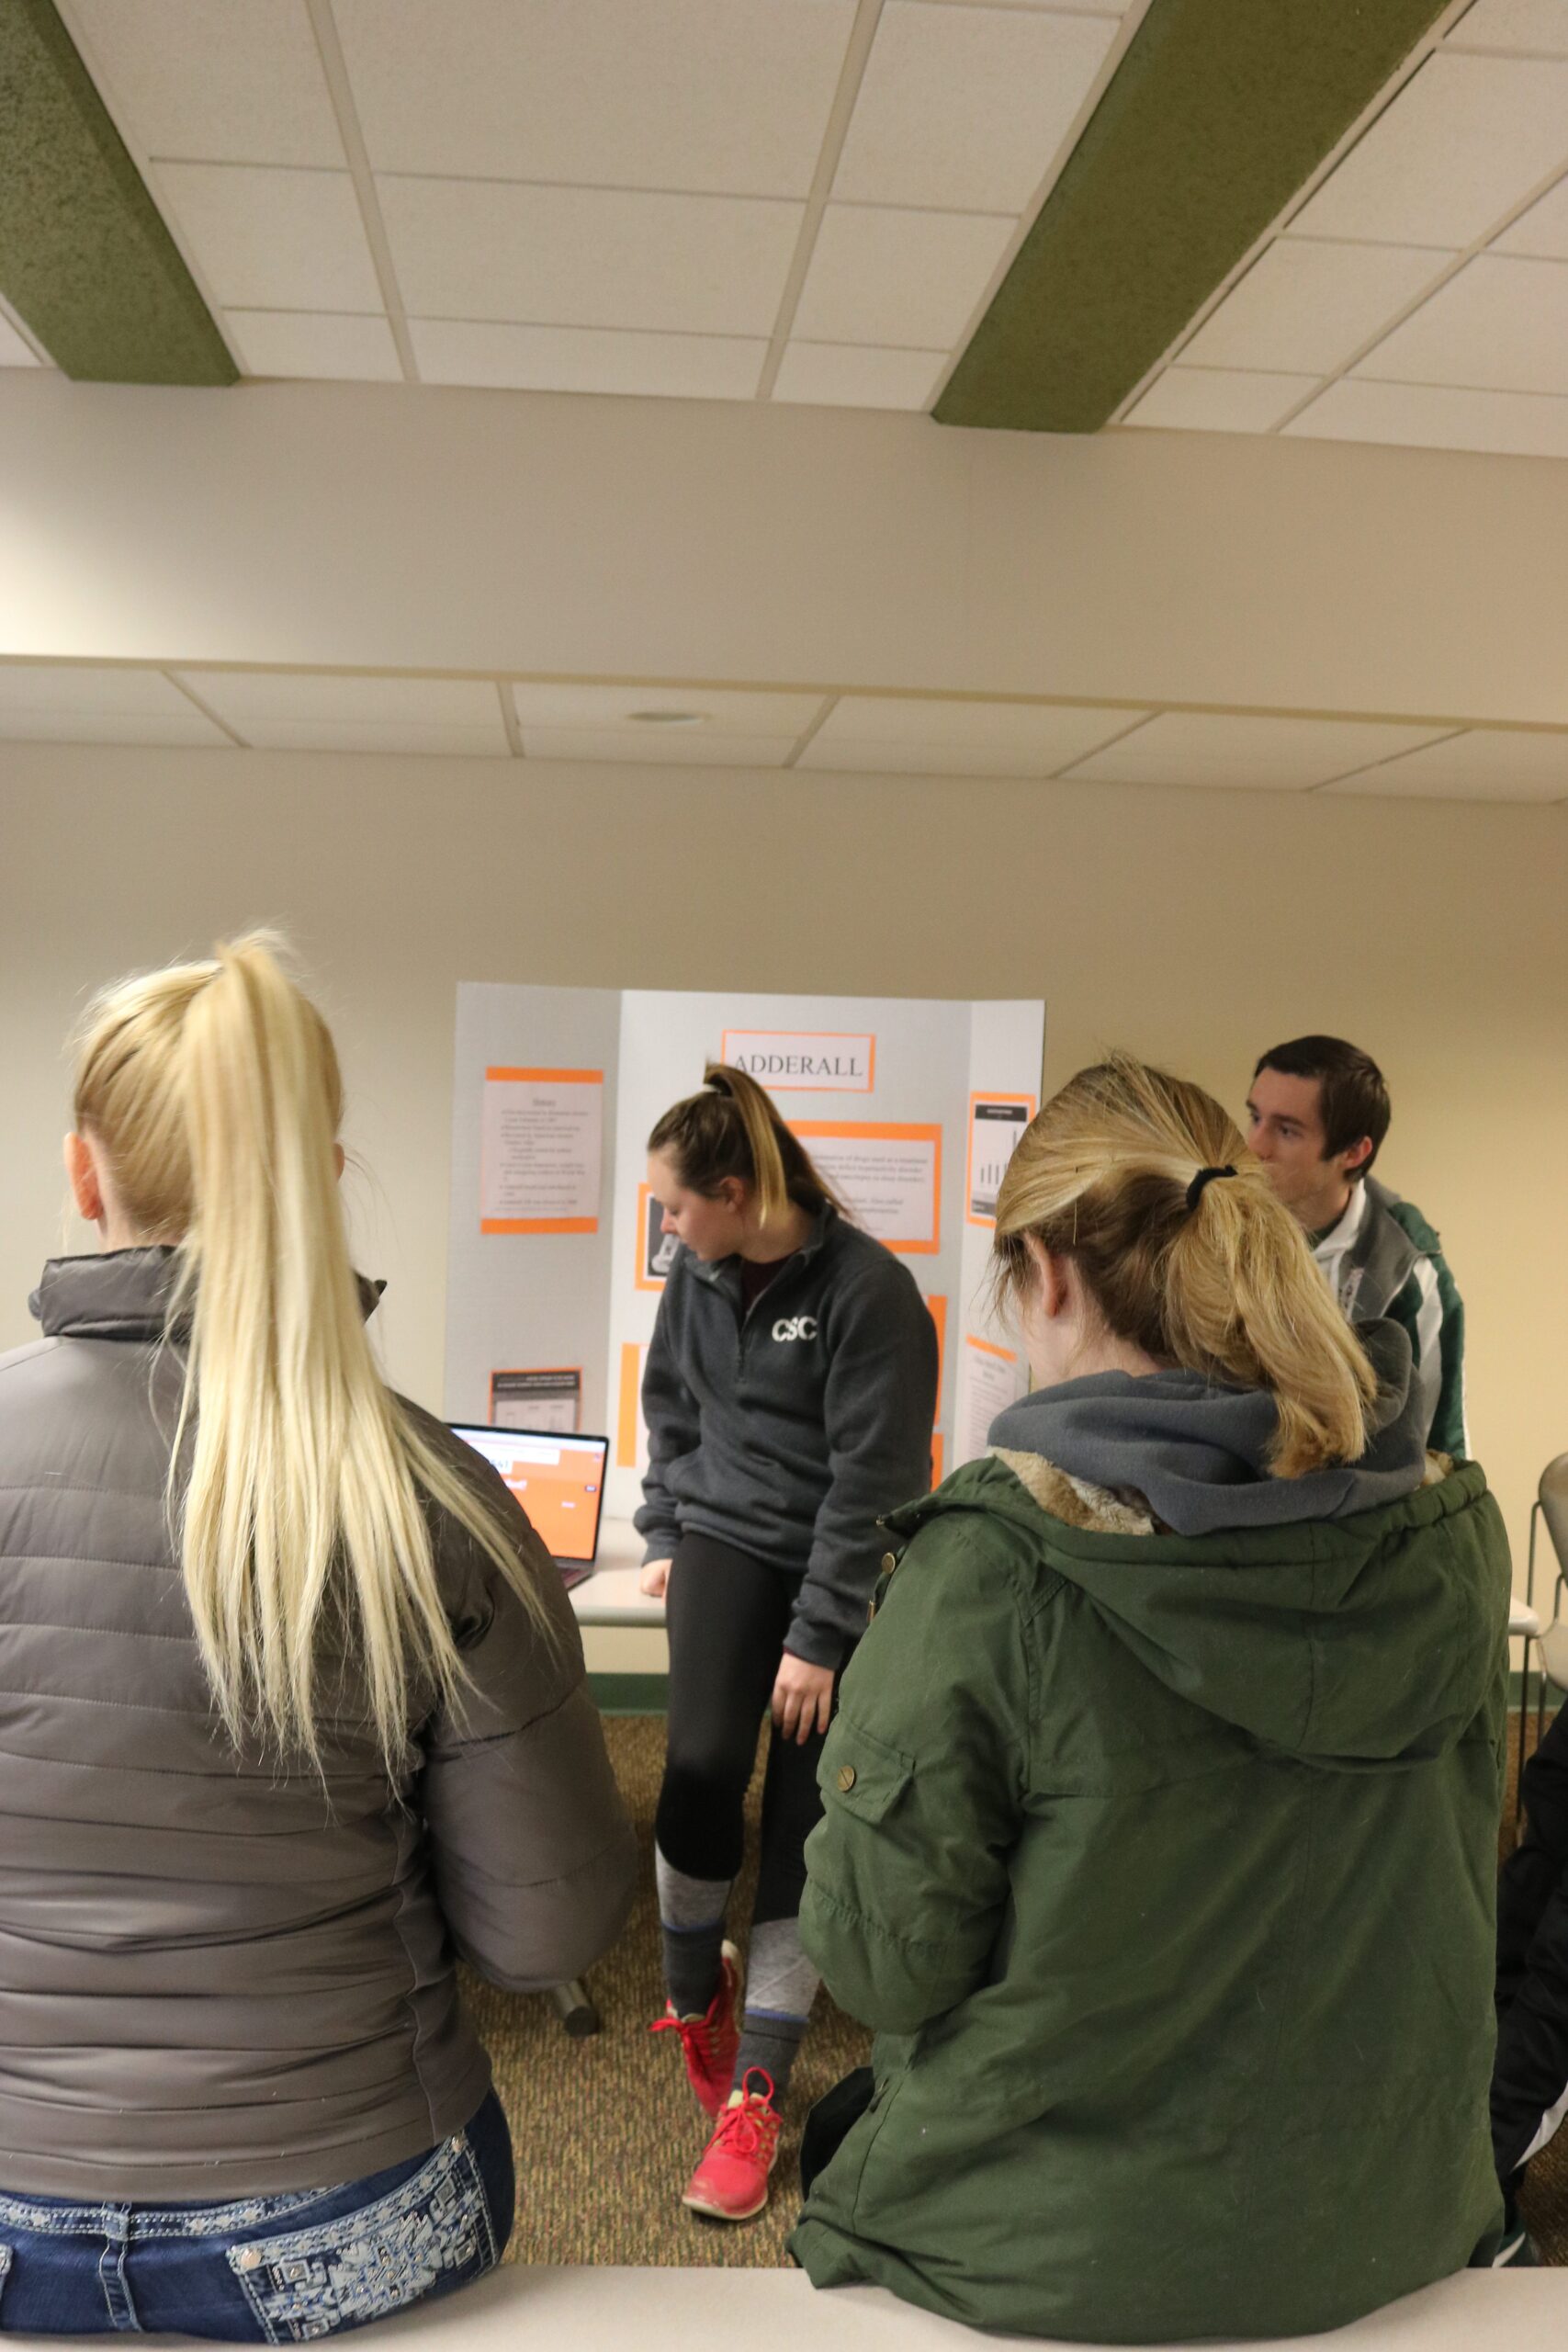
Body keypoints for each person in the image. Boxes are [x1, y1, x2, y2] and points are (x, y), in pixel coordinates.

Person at [789, 1054, 1509, 2340]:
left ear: (1048, 1276)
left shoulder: (987, 1574)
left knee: (846, 2136)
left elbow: (881, 1966)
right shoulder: (1448, 1534)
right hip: (1388, 2216)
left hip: (1057, 2256)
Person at [0, 935, 637, 2339]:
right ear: (320, 1178)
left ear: (83, 1173)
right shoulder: (428, 1493)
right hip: (348, 2205)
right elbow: (547, 1931)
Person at [637, 1064, 938, 2223]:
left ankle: (757, 2088)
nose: (666, 1226)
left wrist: (820, 1635)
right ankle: (687, 1981)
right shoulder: (699, 1270)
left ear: (734, 1187)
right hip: (721, 1535)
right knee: (703, 1767)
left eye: (675, 1204)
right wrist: (665, 1521)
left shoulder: (869, 1293)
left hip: (834, 1560)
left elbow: (877, 1476)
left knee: (805, 1819)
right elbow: (670, 1407)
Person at [1246, 1035, 1467, 1458]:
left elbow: (1439, 1449)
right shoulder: (1210, 1228)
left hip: (1352, 1508)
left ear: (1353, 1152)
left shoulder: (1406, 1270)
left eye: (1287, 1130)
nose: (1256, 1146)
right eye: (1255, 1117)